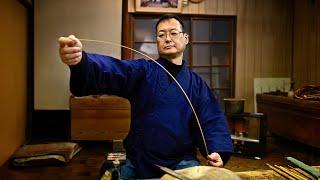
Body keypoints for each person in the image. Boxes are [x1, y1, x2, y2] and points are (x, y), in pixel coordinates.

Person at [58, 14, 233, 179]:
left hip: (181, 161)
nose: (167, 39)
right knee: (111, 174)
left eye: (173, 33)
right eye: (161, 35)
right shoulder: (143, 71)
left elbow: (211, 119)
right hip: (140, 158)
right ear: (156, 41)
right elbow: (113, 69)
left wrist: (217, 150)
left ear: (185, 39)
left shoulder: (197, 84)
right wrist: (81, 61)